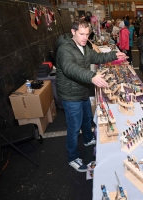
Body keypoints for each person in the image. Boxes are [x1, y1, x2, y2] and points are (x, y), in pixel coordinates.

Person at [56, 19, 126, 172]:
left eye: (87, 34)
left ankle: (88, 139)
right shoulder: (64, 50)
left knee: (87, 118)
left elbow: (97, 57)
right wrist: (91, 76)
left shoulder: (85, 47)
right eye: (81, 34)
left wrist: (114, 54)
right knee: (74, 128)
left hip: (82, 90)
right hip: (70, 94)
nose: (84, 38)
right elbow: (70, 68)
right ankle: (72, 158)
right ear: (73, 32)